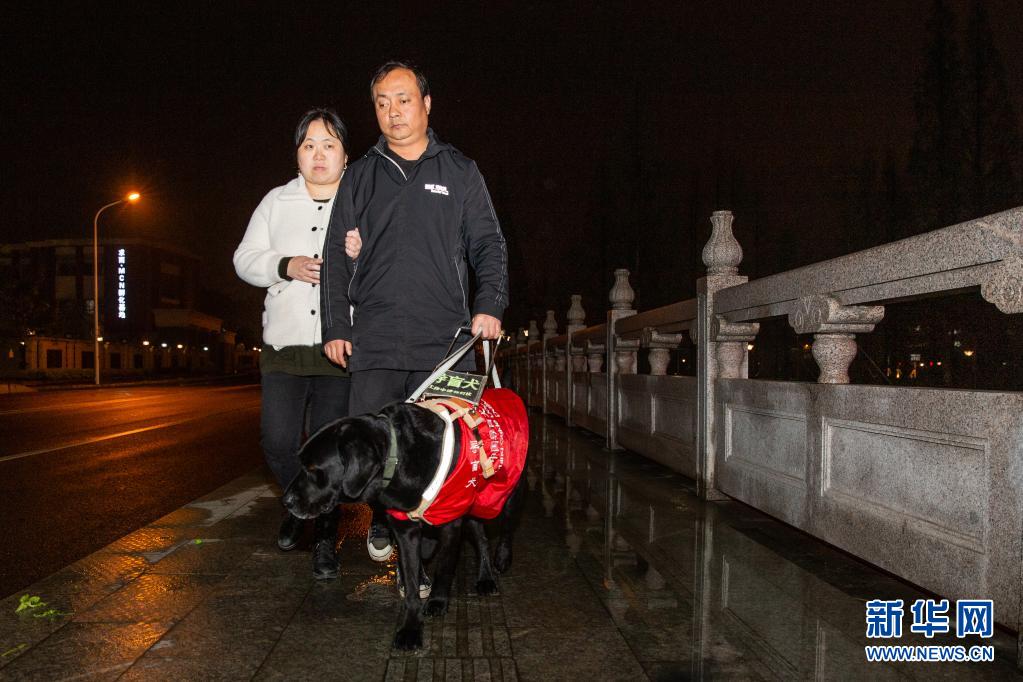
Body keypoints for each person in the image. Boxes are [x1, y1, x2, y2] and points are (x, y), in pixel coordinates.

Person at [321, 61, 509, 563]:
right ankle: (385, 518)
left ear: (426, 104)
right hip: (375, 334)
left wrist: (489, 304)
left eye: (403, 100)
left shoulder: (460, 170)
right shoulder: (360, 175)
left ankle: (425, 542)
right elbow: (335, 254)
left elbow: (489, 244)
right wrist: (336, 325)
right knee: (374, 440)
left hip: (442, 339)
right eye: (382, 103)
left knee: (439, 447)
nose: (393, 112)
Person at [233, 107, 362, 580]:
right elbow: (244, 258)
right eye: (309, 145)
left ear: (346, 155)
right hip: (284, 347)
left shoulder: (361, 200)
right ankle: (299, 504)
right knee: (277, 440)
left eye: (329, 144)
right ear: (297, 155)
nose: (318, 154)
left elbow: (389, 266)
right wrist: (284, 265)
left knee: (330, 453)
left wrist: (361, 255)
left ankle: (325, 539)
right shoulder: (276, 201)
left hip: (338, 348)